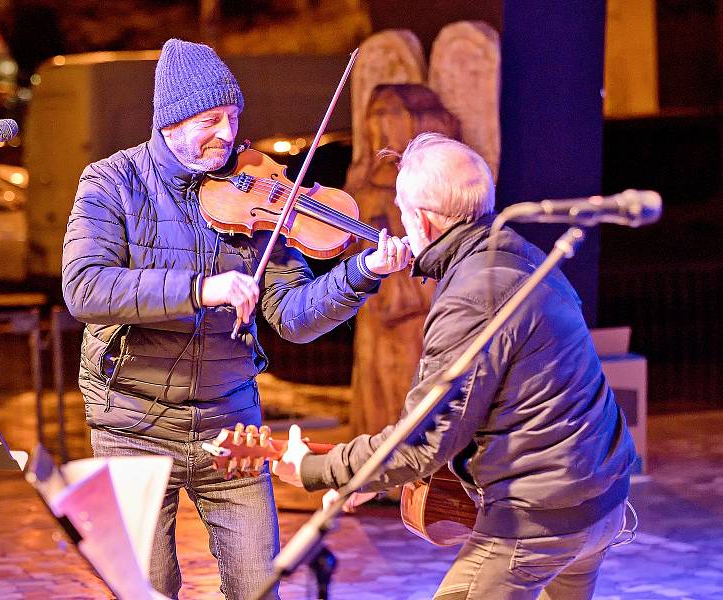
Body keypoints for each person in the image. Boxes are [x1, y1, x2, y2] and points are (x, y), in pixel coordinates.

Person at [61, 38, 410, 600]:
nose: (228, 135)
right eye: (211, 119)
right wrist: (201, 289)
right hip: (132, 423)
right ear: (171, 122)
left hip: (232, 423)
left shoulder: (261, 193)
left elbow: (293, 317)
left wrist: (363, 271)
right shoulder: (111, 183)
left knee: (258, 584)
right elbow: (85, 287)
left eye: (233, 117)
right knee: (147, 588)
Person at [274, 132, 637, 600]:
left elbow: (421, 442)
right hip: (601, 498)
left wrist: (319, 468)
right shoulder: (520, 254)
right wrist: (370, 474)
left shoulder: (472, 294)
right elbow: (495, 406)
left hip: (539, 519)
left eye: (403, 213)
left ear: (422, 219)